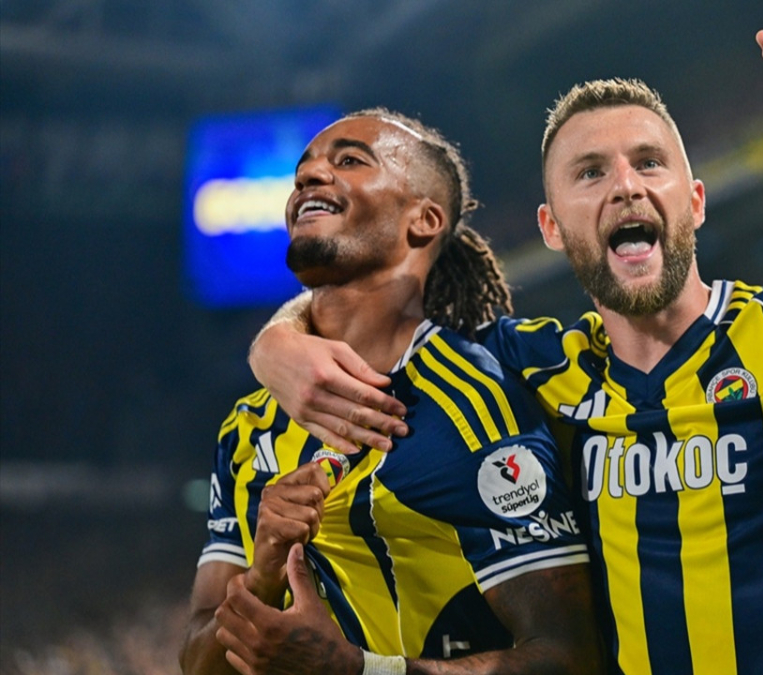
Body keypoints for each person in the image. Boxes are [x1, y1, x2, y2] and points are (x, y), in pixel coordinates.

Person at [247, 3, 763, 673]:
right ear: (551, 226)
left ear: (694, 202)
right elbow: (375, 319)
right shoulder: (532, 369)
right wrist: (278, 341)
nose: (625, 186)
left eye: (649, 163)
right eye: (590, 172)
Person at [179, 108, 603, 675]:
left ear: (423, 220)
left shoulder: (476, 399)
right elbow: (199, 662)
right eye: (303, 170)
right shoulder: (248, 426)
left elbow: (570, 657)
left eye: (351, 160)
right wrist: (264, 572)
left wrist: (359, 670)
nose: (308, 176)